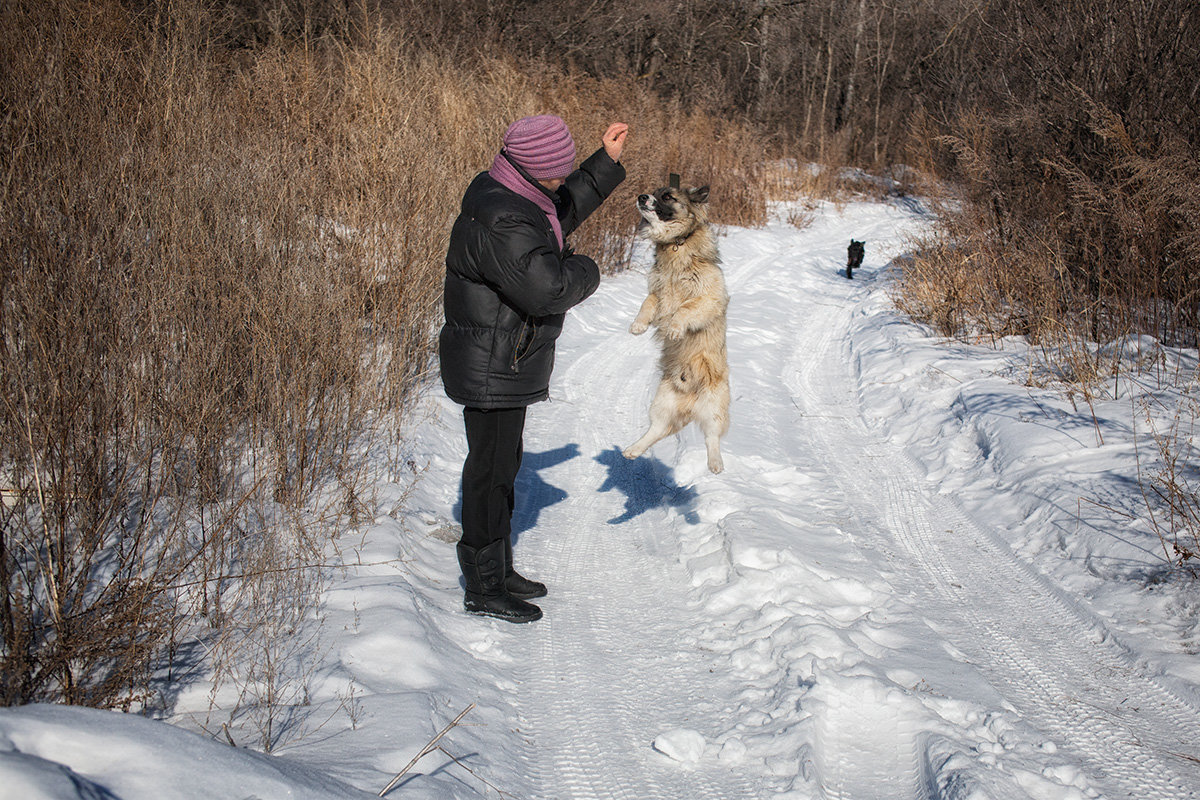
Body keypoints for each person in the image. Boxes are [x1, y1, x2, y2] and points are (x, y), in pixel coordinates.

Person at [439, 115, 629, 623]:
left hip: (502, 357)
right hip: (491, 365)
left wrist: (603, 163)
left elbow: (557, 211)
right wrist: (586, 268)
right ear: (533, 168)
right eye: (555, 172)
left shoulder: (510, 189)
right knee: (489, 475)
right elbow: (548, 288)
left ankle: (497, 570)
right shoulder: (503, 217)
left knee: (503, 468)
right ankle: (483, 586)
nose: (558, 181)